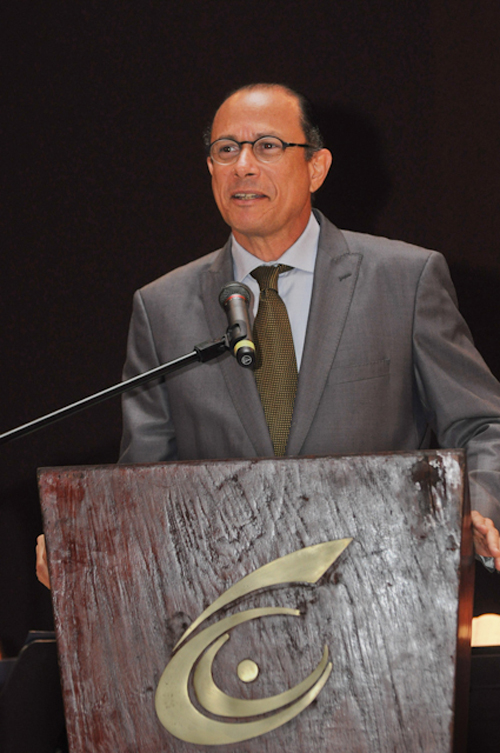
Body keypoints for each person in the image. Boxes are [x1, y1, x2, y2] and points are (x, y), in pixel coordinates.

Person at [37, 83, 500, 586]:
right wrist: (87, 539)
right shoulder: (162, 307)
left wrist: (473, 511)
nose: (243, 166)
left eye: (267, 146)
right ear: (210, 168)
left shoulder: (404, 280)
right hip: (224, 599)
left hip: (385, 584)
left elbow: (482, 426)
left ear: (316, 167)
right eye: (226, 149)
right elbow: (145, 482)